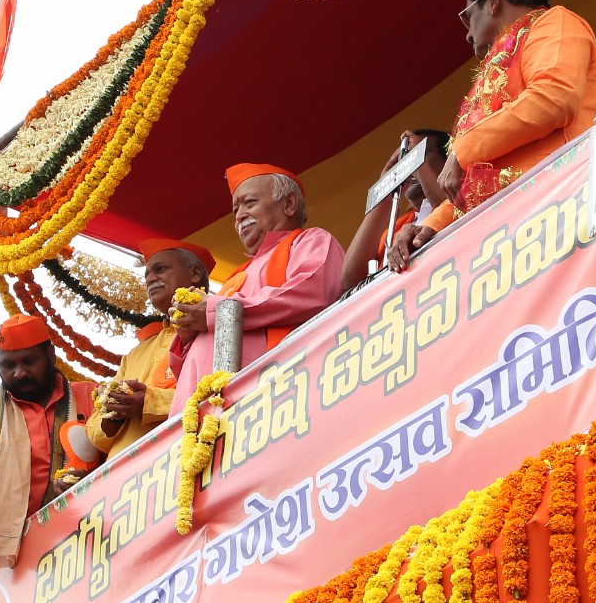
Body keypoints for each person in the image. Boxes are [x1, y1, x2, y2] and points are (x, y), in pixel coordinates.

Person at [389, 0, 596, 271]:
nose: (467, 35)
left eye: (468, 16)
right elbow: (479, 179)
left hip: (565, 205)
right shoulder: (502, 64)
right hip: (513, 238)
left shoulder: (553, 22)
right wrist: (430, 226)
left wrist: (462, 151)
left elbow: (554, 98)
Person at [170, 162, 345, 403]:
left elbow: (314, 292)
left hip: (272, 399)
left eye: (250, 203)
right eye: (235, 210)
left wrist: (216, 312)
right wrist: (188, 329)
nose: (240, 215)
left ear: (289, 204)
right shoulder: (236, 275)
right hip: (198, 413)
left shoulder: (309, 241)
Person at [0, 315, 98, 573]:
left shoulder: (90, 396)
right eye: (8, 365)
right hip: (23, 561)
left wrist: (92, 480)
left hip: (95, 535)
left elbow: (122, 453)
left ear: (51, 355)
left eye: (29, 361)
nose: (19, 373)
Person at [83, 236, 214, 464]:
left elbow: (217, 395)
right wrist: (114, 413)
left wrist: (149, 402)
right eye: (147, 275)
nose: (151, 279)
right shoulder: (135, 354)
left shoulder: (216, 326)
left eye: (160, 269)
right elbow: (94, 434)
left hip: (184, 463)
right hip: (125, 485)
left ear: (194, 274)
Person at [341, 129, 450, 288]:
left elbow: (450, 212)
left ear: (447, 160)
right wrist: (385, 192)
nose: (407, 162)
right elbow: (350, 280)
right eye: (404, 158)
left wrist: (417, 162)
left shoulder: (465, 198)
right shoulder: (398, 228)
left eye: (421, 151)